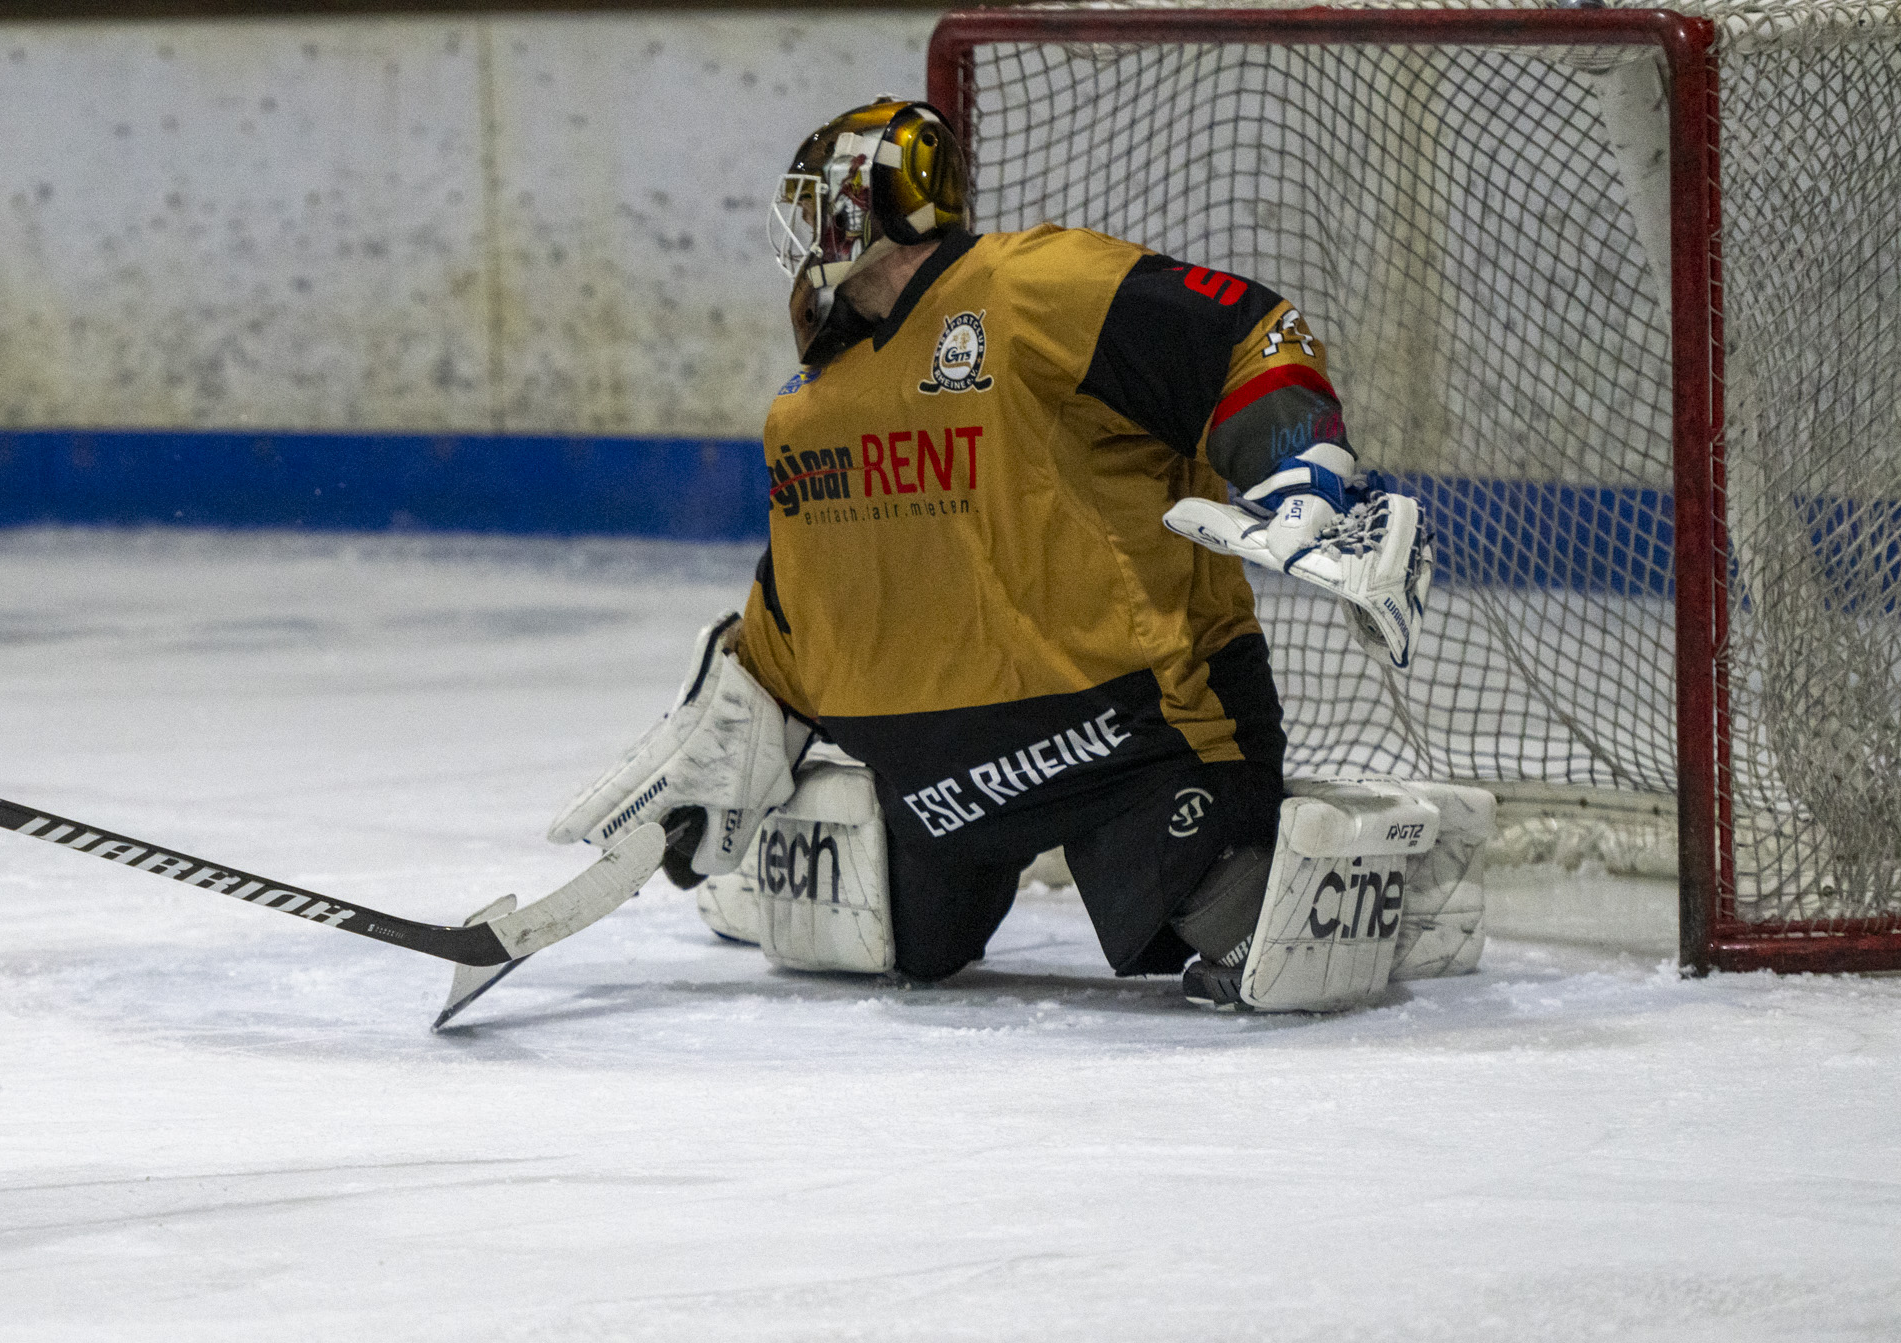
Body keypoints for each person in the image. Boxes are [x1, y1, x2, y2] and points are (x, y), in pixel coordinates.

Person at [550, 99, 1456, 1010]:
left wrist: (1302, 472)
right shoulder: (806, 408)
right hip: (940, 791)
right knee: (897, 945)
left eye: (818, 202)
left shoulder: (1031, 290)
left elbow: (1245, 332)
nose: (802, 231)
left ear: (879, 206)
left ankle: (1375, 872)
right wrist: (740, 727)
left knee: (1236, 928)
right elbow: (809, 603)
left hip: (1138, 742)